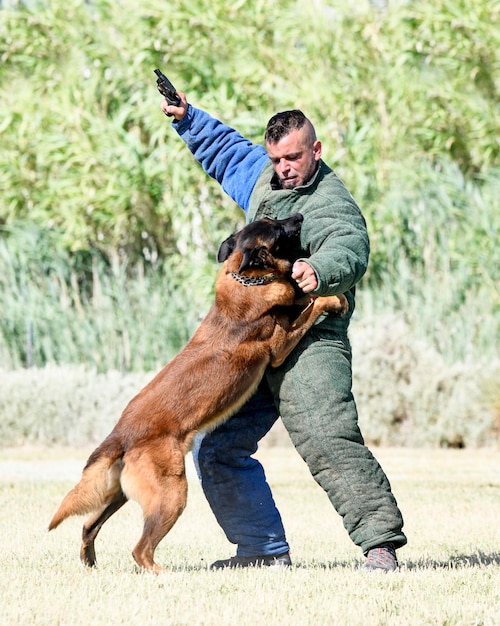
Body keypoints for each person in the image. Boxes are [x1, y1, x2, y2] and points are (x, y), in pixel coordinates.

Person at [160, 92, 407, 572]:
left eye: (294, 157)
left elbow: (350, 244)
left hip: (311, 337)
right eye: (277, 158)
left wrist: (320, 268)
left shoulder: (330, 200)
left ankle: (379, 545)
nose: (285, 167)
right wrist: (189, 120)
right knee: (216, 445)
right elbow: (227, 152)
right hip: (256, 337)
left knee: (325, 435)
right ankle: (262, 549)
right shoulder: (266, 177)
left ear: (315, 150)